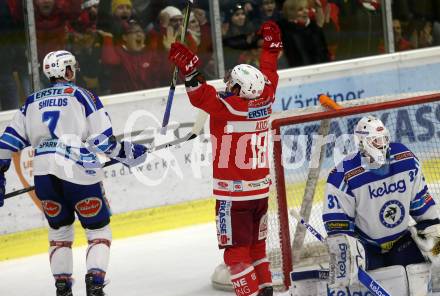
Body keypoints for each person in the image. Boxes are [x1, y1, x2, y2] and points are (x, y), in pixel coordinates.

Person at [0, 50, 148, 296]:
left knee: (59, 233)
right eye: (72, 67)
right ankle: (95, 283)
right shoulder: (83, 95)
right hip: (79, 172)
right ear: (66, 71)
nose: (74, 72)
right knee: (98, 230)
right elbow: (103, 143)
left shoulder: (31, 102)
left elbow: (6, 145)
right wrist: (129, 153)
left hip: (44, 175)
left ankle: (63, 287)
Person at [168, 20, 283, 296]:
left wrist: (191, 69)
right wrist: (271, 48)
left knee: (234, 256)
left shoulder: (227, 108)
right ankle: (266, 291)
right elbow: (269, 70)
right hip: (259, 193)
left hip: (234, 197)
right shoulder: (266, 97)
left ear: (238, 89)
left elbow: (199, 95)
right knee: (256, 249)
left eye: (231, 82)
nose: (227, 83)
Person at [322, 115, 440, 289]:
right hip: (367, 249)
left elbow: (423, 207)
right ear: (362, 142)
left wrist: (435, 240)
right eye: (376, 141)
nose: (382, 145)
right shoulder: (343, 175)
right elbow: (337, 225)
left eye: (384, 138)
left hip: (402, 242)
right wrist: (349, 249)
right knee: (353, 284)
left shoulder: (406, 160)